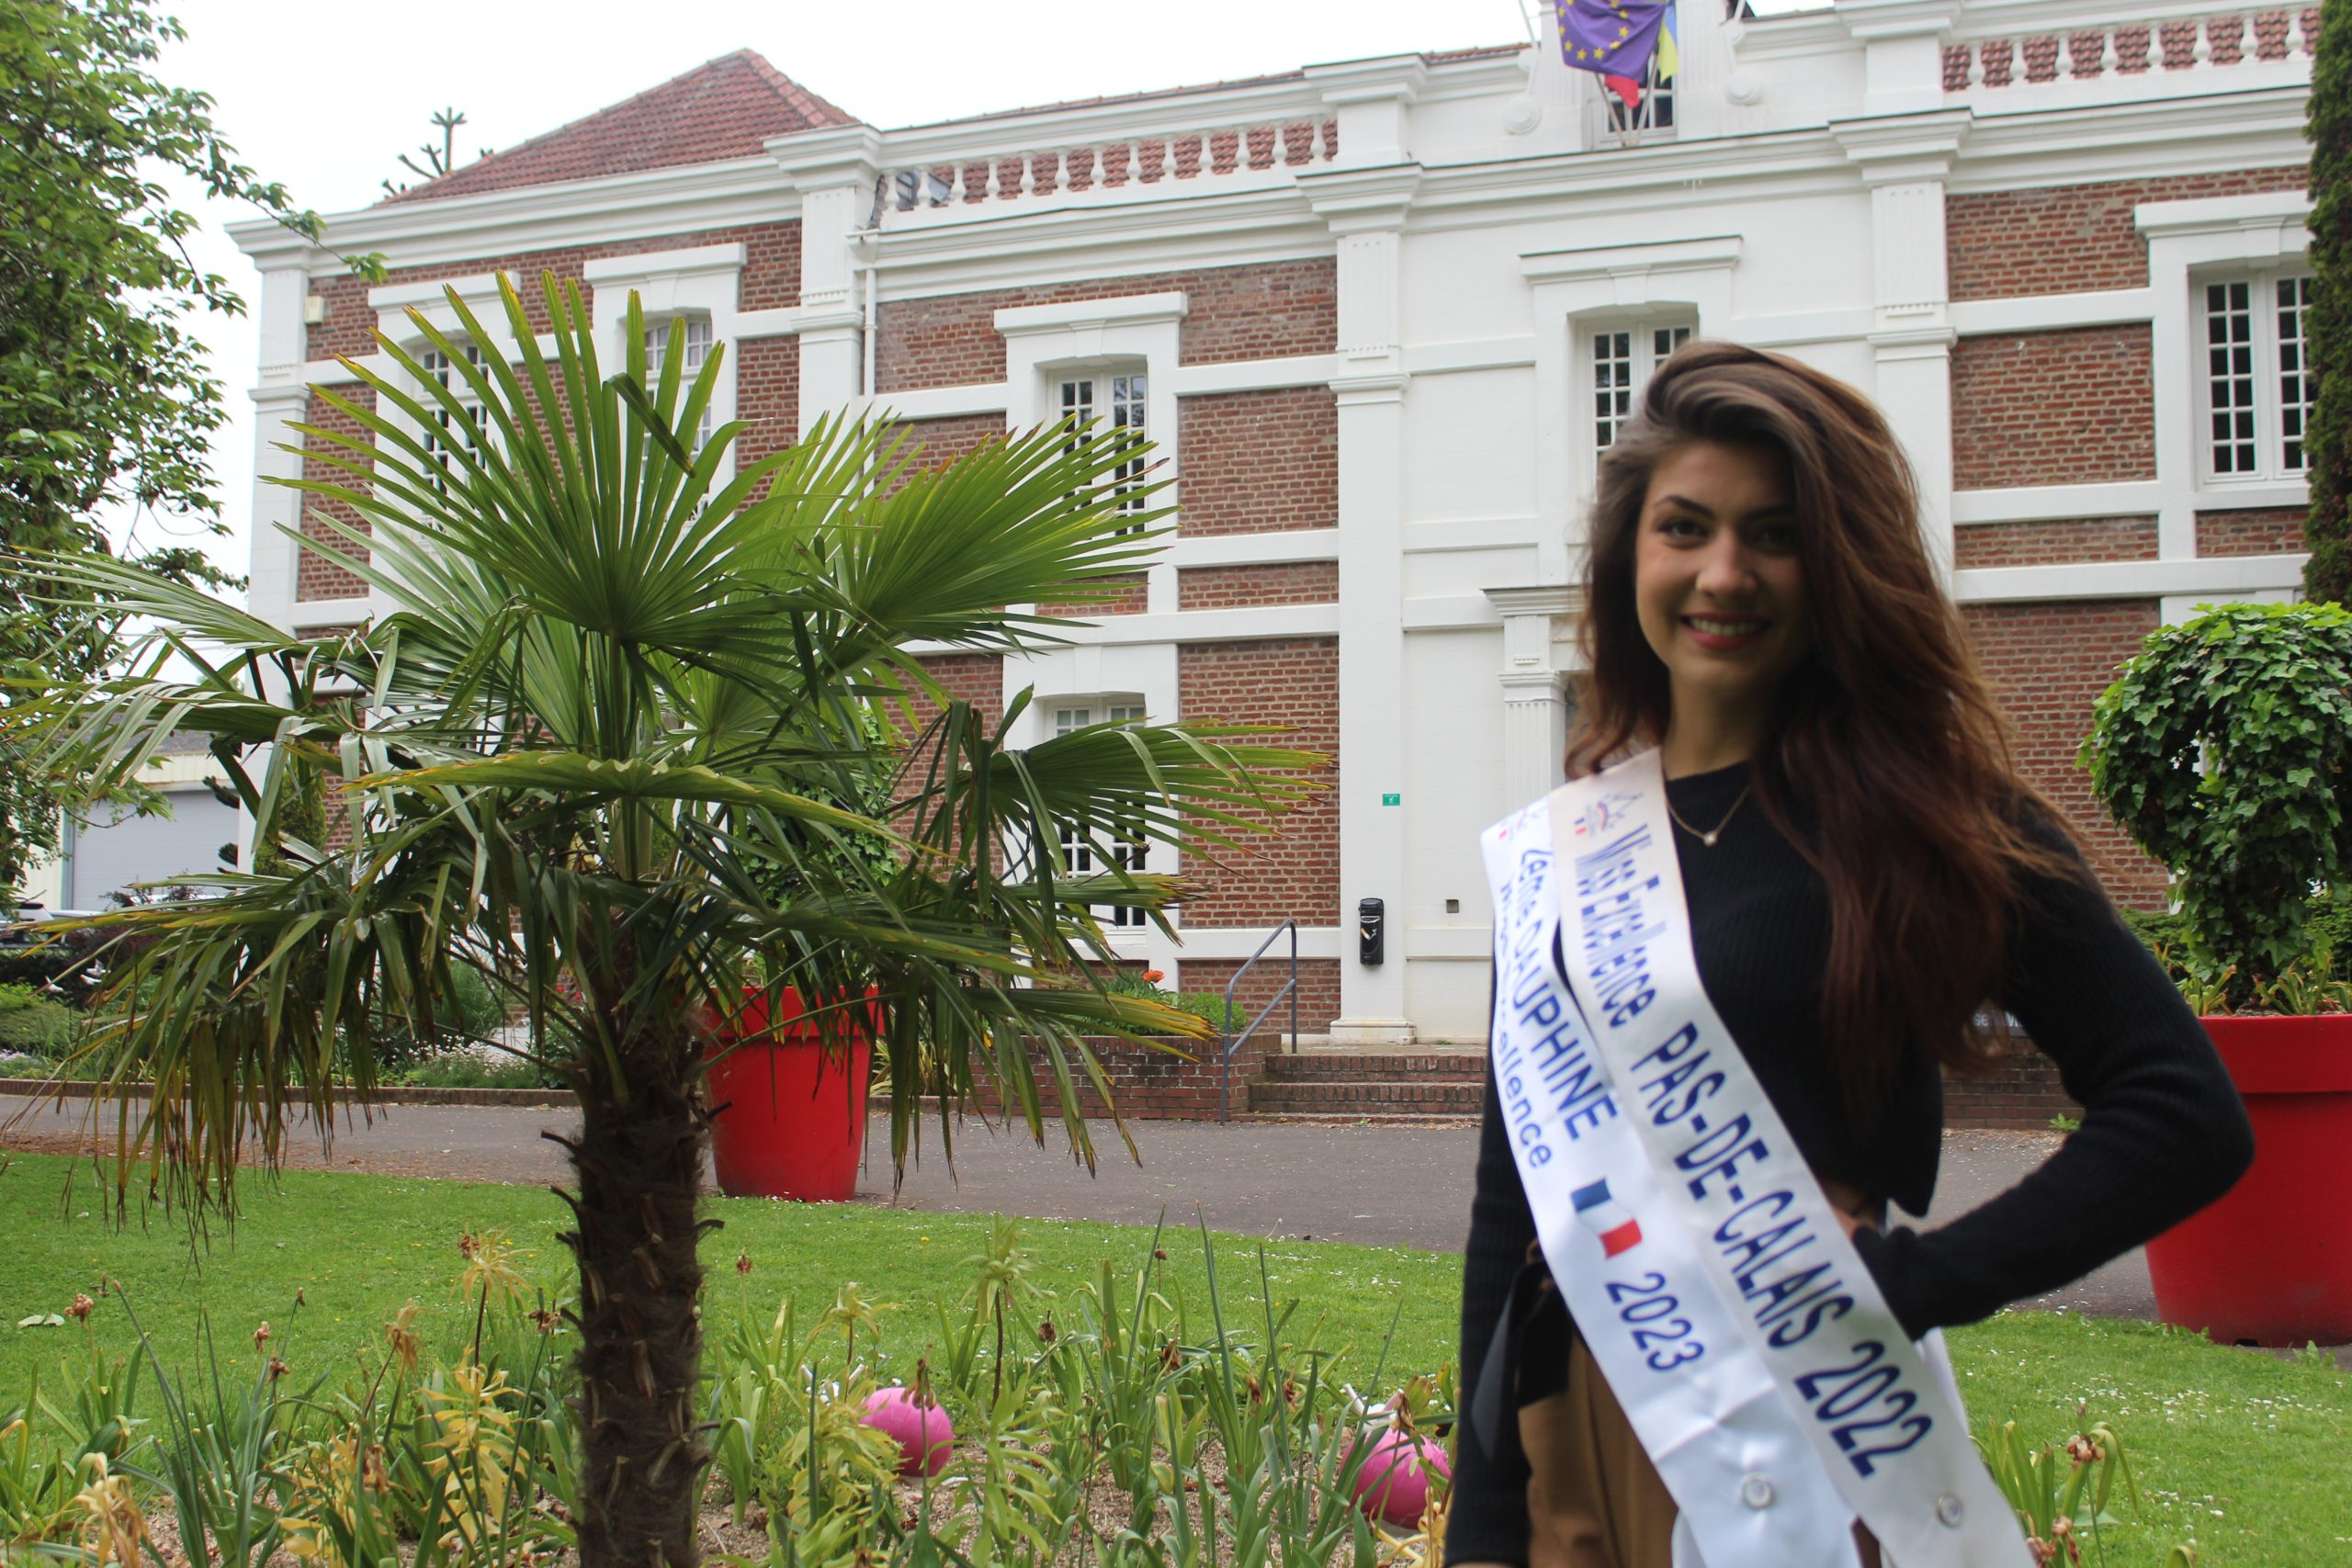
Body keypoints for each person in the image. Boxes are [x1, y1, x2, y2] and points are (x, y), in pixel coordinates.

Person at [1448, 342, 2253, 1568]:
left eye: (1774, 535)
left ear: (1837, 566)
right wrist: (1483, 1529)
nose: (1725, 573)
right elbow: (1512, 1216)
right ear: (1630, 560)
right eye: (1686, 528)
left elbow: (2184, 1110)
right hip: (1585, 1429)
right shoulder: (1561, 854)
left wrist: (1910, 1282)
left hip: (1815, 1426)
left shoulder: (1924, 820)